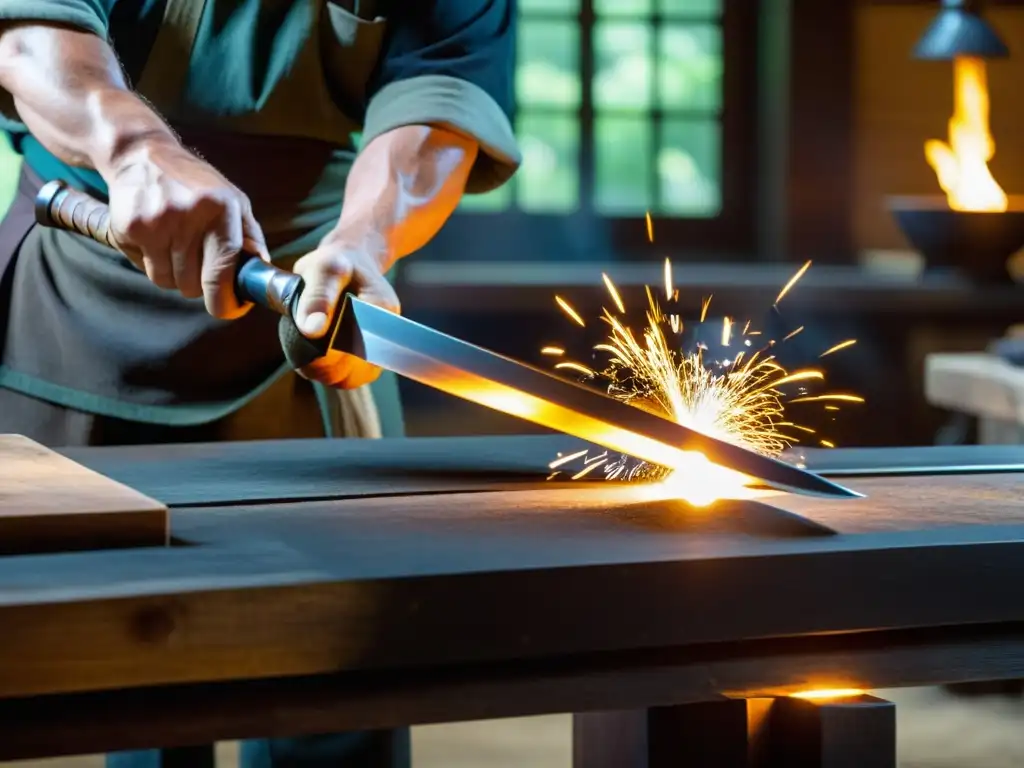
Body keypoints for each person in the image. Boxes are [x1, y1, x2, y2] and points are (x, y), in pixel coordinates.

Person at [0, 0, 520, 766]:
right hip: (81, 276)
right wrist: (140, 149)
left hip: (316, 304)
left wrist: (365, 241)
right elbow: (30, 31)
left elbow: (442, 90)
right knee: (129, 671)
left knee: (345, 654)